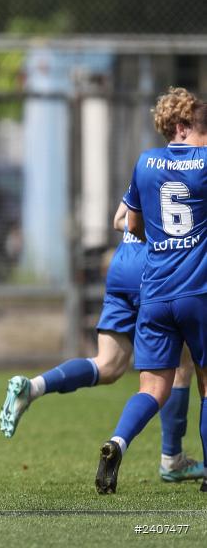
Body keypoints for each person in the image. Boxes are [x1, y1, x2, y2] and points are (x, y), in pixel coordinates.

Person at [0, 88, 203, 484]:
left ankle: (35, 386)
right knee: (181, 364)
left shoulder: (149, 164)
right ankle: (172, 458)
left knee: (108, 365)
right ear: (184, 125)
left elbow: (120, 219)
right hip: (158, 268)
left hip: (123, 266)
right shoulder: (197, 168)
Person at [95, 98, 207, 494]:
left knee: (152, 388)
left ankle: (117, 442)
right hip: (199, 291)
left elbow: (131, 224)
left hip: (155, 292)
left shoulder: (146, 162)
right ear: (187, 125)